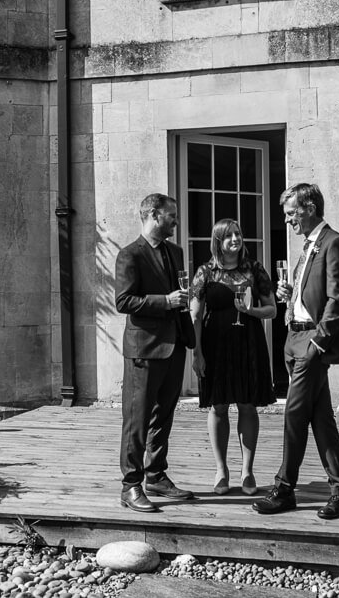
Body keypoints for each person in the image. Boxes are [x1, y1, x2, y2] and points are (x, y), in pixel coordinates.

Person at [253, 183, 339, 520]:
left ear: (309, 207)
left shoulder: (335, 243)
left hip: (313, 342)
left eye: (290, 213)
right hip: (294, 338)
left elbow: (338, 298)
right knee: (321, 419)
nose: (286, 221)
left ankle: (284, 489)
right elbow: (308, 294)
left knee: (294, 416)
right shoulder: (308, 246)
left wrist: (318, 342)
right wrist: (290, 293)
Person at [114, 193, 197, 513]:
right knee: (137, 420)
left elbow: (182, 298)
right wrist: (166, 301)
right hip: (144, 350)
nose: (176, 220)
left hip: (174, 346)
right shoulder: (129, 255)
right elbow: (123, 302)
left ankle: (156, 475)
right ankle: (130, 485)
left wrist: (190, 341)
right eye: (171, 215)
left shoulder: (175, 252)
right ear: (152, 215)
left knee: (164, 415)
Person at [189, 219, 277, 497]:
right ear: (218, 241)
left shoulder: (255, 269)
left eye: (238, 233)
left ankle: (247, 470)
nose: (235, 239)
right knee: (218, 407)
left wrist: (250, 311)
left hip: (249, 344)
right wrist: (197, 353)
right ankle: (221, 469)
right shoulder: (205, 272)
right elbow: (195, 316)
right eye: (228, 236)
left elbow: (272, 310)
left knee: (248, 406)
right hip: (215, 346)